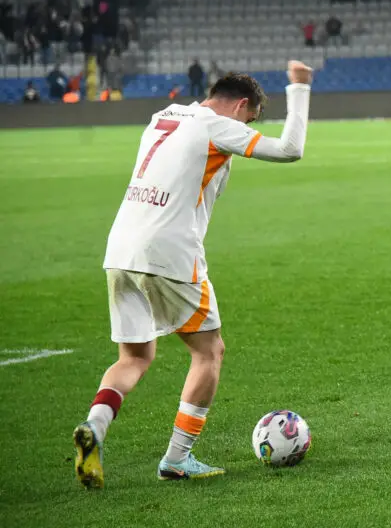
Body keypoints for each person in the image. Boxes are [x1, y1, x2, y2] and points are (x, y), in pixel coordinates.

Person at [72, 63, 314, 489]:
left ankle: (95, 426)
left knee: (133, 358)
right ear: (240, 105)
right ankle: (177, 459)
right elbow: (290, 149)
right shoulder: (215, 125)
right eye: (249, 119)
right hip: (169, 252)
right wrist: (299, 87)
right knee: (209, 352)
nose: (245, 129)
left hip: (121, 248)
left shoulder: (163, 116)